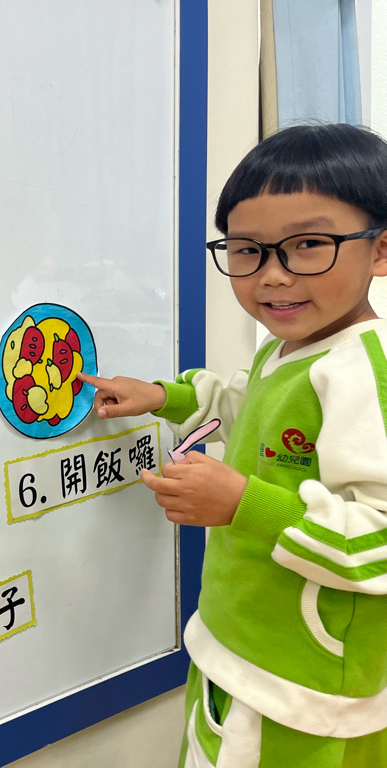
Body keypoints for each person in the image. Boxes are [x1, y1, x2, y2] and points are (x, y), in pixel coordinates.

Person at [79, 123, 387, 767]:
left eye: (309, 245)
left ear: (380, 250)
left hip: (303, 688)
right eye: (248, 250)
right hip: (238, 648)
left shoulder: (361, 373)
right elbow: (240, 403)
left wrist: (246, 503)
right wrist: (161, 396)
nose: (273, 276)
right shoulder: (288, 348)